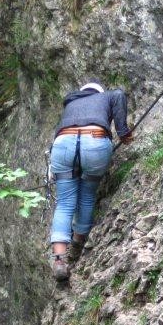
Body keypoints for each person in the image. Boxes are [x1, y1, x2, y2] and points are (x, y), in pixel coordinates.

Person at [48, 81, 133, 282]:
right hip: (95, 140)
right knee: (86, 196)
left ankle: (59, 259)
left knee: (65, 202)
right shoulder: (108, 96)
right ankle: (77, 246)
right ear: (99, 92)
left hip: (63, 144)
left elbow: (60, 131)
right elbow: (120, 95)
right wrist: (123, 133)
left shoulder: (71, 102)